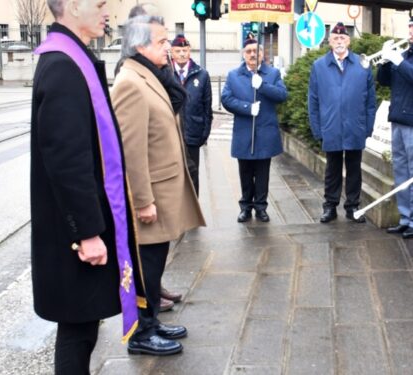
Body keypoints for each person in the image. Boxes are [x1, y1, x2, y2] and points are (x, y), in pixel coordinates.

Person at [30, 0, 143, 373]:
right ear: (73, 6)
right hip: (76, 233)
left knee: (83, 325)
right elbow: (67, 160)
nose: (106, 10)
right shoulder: (64, 67)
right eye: (98, 3)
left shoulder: (71, 59)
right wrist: (89, 233)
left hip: (77, 227)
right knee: (78, 329)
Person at [112, 15, 205, 356]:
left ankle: (152, 319)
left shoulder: (147, 74)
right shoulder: (129, 82)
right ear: (139, 45)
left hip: (163, 188)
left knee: (156, 261)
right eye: (162, 41)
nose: (169, 46)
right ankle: (141, 332)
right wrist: (142, 201)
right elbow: (131, 151)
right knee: (146, 265)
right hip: (150, 194)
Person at [377, 7, 413, 239]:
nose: (411, 30)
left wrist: (399, 62)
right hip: (399, 120)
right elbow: (384, 82)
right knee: (401, 171)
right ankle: (405, 217)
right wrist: (385, 60)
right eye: (410, 26)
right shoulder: (406, 54)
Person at [308, 22, 377, 224]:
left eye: (343, 38)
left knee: (355, 168)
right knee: (332, 169)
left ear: (349, 41)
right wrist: (317, 128)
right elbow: (313, 99)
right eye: (335, 38)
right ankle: (330, 206)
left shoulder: (362, 65)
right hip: (331, 126)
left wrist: (368, 127)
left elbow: (370, 101)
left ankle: (353, 206)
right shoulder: (319, 66)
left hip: (355, 126)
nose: (339, 41)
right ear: (329, 42)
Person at [221, 37, 288, 223]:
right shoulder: (234, 75)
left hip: (265, 132)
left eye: (256, 51)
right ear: (243, 54)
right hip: (244, 131)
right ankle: (245, 207)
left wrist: (263, 86)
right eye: (249, 51)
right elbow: (226, 99)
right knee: (245, 172)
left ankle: (260, 207)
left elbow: (282, 95)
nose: (252, 54)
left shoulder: (272, 73)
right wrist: (246, 108)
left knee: (262, 172)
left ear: (262, 54)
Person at [171, 34, 213, 195]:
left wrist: (204, 133)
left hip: (193, 135)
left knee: (193, 174)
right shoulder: (166, 73)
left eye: (185, 50)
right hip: (171, 135)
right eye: (178, 50)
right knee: (173, 176)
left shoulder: (201, 74)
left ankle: (194, 211)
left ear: (189, 51)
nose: (182, 54)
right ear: (172, 53)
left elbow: (207, 107)